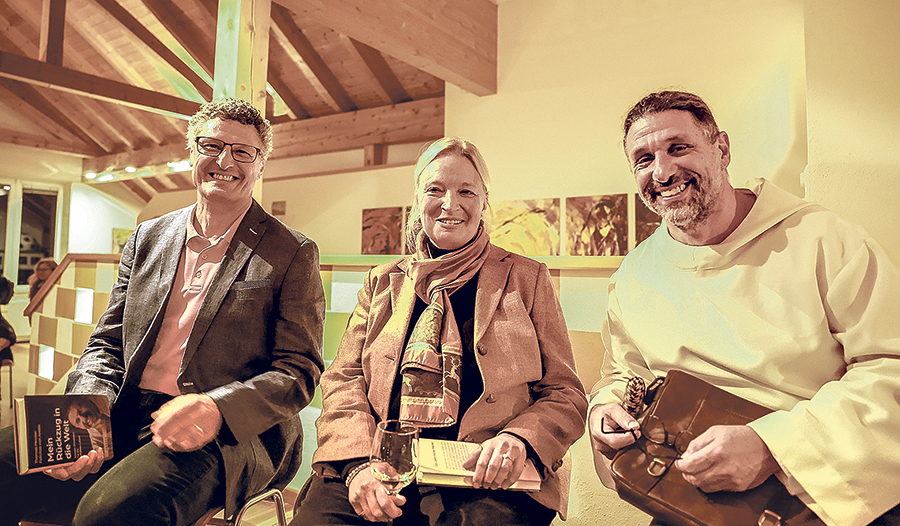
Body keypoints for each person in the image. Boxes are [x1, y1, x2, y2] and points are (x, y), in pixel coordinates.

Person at [0, 97, 326, 526]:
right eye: (211, 145)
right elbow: (107, 342)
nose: (224, 159)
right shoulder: (148, 237)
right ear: (192, 152)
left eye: (243, 151)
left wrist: (216, 407)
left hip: (229, 432)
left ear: (260, 164)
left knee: (109, 515)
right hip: (127, 408)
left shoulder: (292, 251)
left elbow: (298, 372)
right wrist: (83, 413)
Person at [588, 90, 900, 526]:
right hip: (689, 495)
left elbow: (889, 365)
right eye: (643, 158)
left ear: (722, 149)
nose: (662, 171)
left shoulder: (825, 241)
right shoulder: (633, 275)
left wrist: (773, 446)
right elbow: (624, 373)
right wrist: (605, 408)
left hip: (818, 488)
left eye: (679, 147)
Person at [292, 137, 587, 525]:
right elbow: (344, 378)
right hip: (379, 466)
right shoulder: (384, 282)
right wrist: (356, 466)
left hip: (487, 477)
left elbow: (565, 392)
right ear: (418, 200)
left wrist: (518, 440)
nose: (450, 204)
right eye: (435, 189)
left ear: (484, 201)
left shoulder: (526, 278)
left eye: (466, 190)